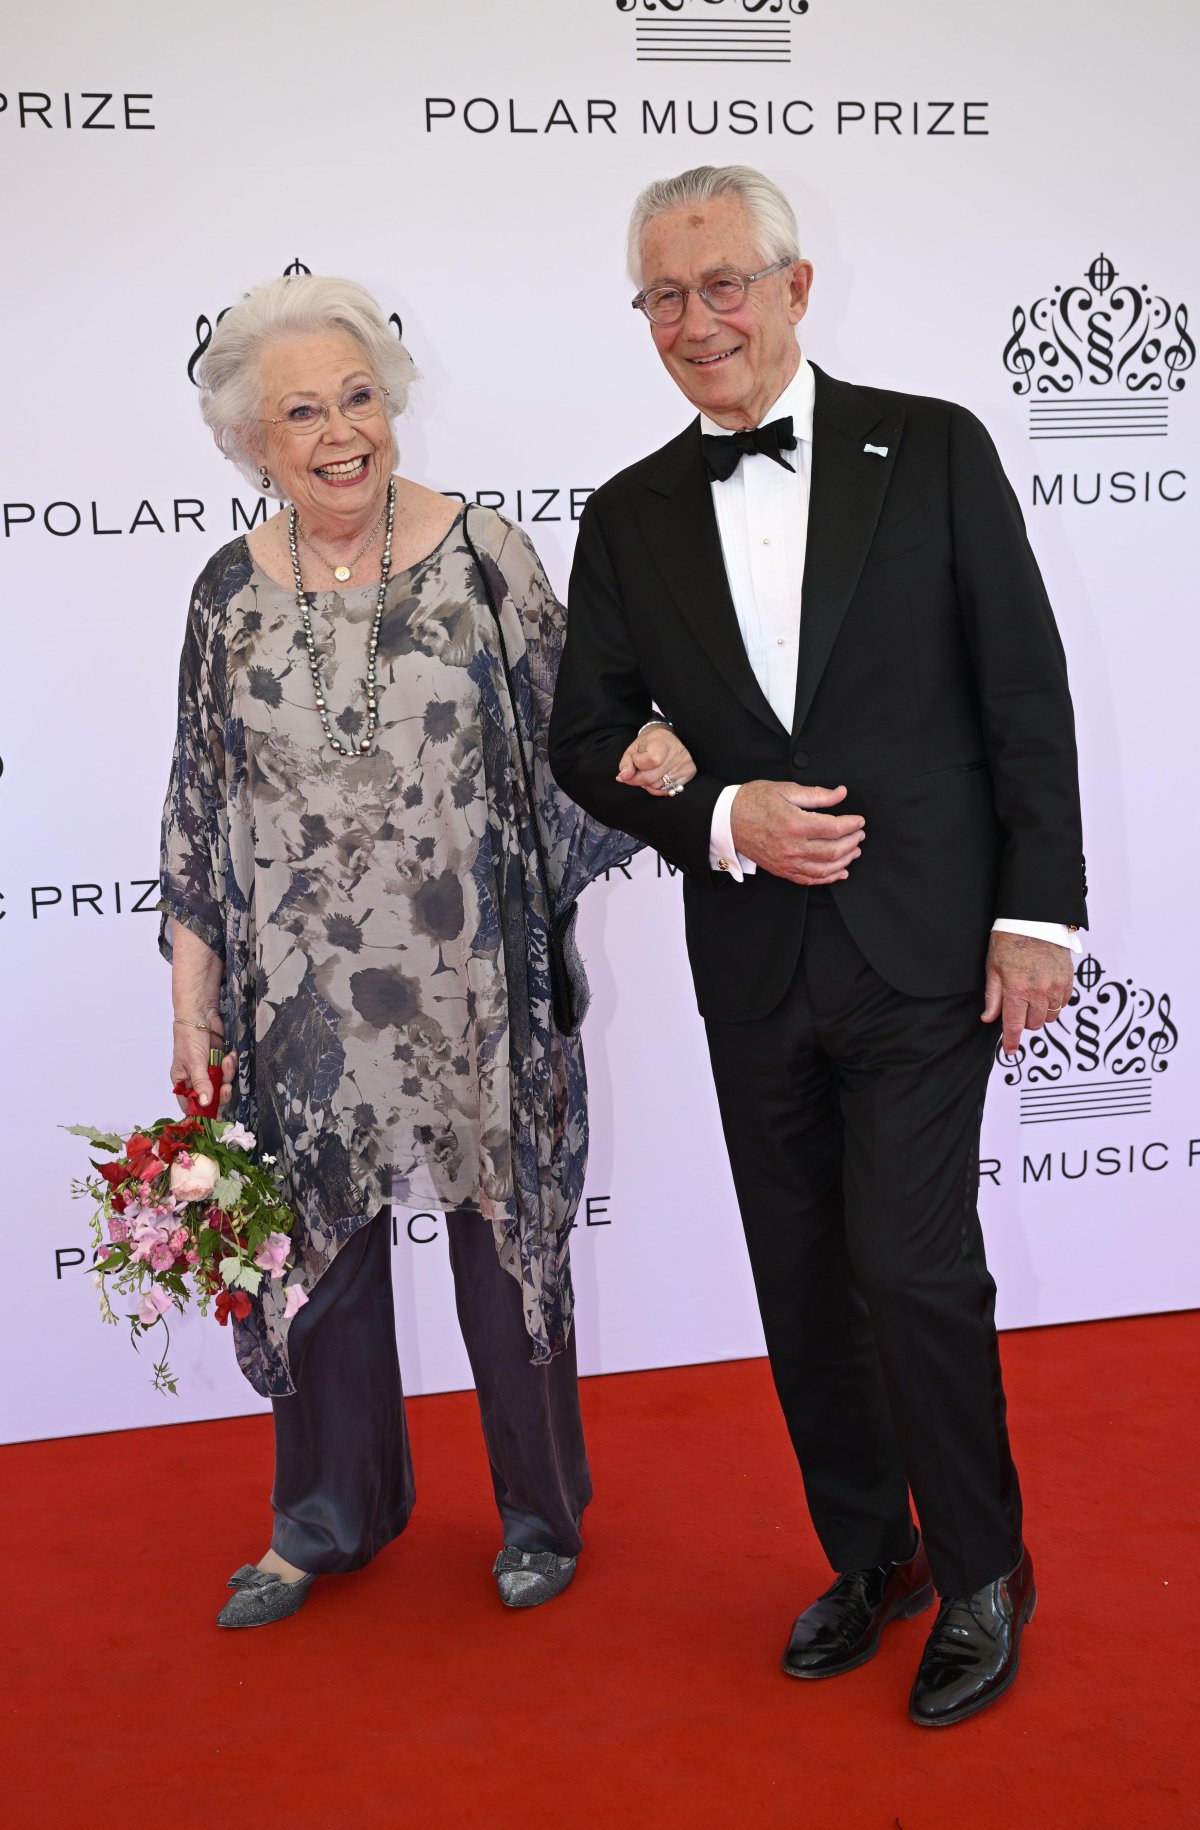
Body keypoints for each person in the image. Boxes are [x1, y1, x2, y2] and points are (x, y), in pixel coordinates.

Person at [549, 165, 1087, 1727]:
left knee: (912, 1268)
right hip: (756, 961)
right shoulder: (630, 510)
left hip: (926, 946)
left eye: (724, 285)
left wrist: (1036, 912)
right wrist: (724, 813)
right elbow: (592, 736)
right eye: (665, 294)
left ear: (794, 288)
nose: (696, 320)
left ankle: (986, 1570)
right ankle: (877, 1554)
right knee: (801, 1279)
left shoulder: (931, 446)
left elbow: (1022, 692)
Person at [161, 274, 694, 1628]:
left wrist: (646, 754)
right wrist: (194, 1000)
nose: (342, 431)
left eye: (359, 398)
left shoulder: (481, 553)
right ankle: (328, 1518)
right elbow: (196, 802)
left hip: (475, 978)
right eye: (303, 412)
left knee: (504, 1243)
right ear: (251, 441)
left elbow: (581, 726)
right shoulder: (225, 593)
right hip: (304, 997)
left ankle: (537, 1514)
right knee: (315, 1258)